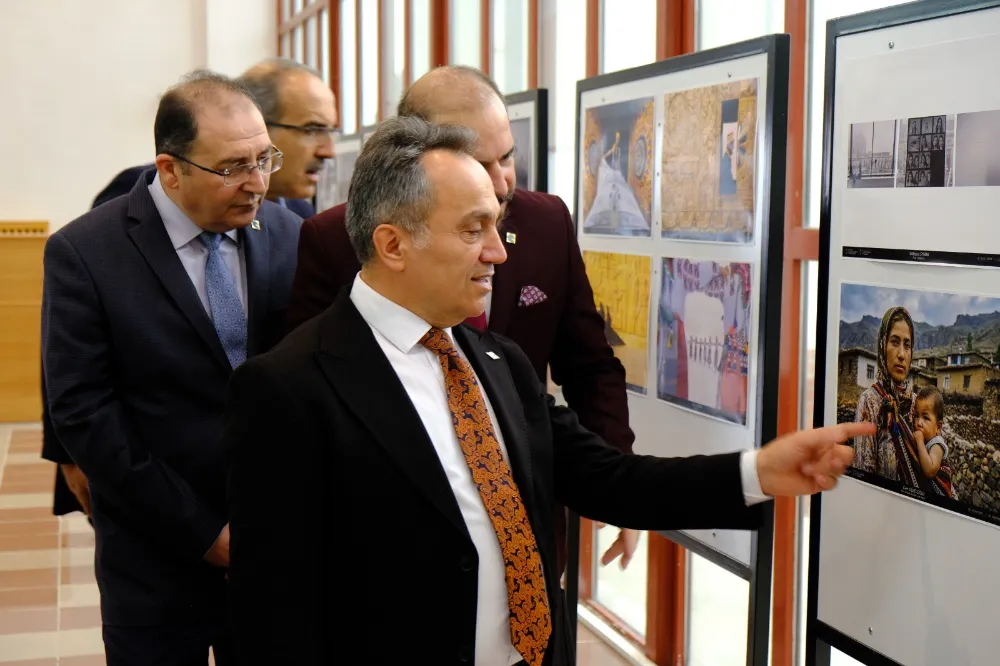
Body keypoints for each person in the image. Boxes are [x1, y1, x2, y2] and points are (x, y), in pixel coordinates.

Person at [224, 115, 873, 666]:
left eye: (496, 226)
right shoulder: (289, 388)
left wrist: (758, 472)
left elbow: (608, 479)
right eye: (473, 230)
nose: (498, 253)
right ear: (393, 244)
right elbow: (272, 614)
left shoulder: (496, 361)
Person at [286, 64, 641, 572]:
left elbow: (590, 366)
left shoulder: (547, 223)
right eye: (478, 161)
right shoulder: (337, 239)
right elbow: (308, 395)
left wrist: (616, 485)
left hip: (529, 527)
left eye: (507, 157)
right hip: (400, 540)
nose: (501, 182)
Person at [41, 69, 302, 666]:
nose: (257, 183)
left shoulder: (288, 234)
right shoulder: (88, 252)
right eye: (233, 167)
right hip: (151, 550)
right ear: (170, 169)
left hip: (269, 544)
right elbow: (83, 411)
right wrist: (202, 533)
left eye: (265, 159)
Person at [42, 163, 155, 522]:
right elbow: (68, 338)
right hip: (130, 450)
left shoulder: (289, 215)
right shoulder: (140, 189)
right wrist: (66, 453)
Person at [237, 57, 338, 219]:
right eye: (312, 130)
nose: (329, 151)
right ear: (256, 128)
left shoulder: (301, 217)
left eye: (330, 131)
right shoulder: (206, 216)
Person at [913, 385, 953, 495]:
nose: (919, 422)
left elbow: (930, 471)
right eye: (916, 415)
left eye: (926, 418)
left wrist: (919, 442)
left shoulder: (937, 445)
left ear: (938, 427)